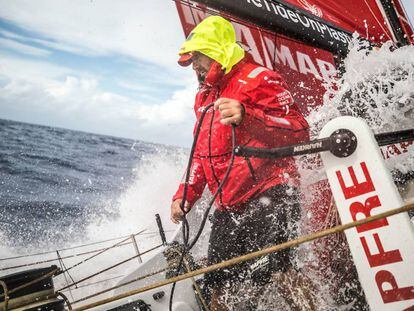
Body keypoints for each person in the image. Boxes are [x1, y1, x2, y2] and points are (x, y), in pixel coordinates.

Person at [170, 16, 310, 310]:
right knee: (216, 288)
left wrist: (249, 116)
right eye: (190, 58)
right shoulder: (204, 96)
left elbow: (299, 130)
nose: (193, 65)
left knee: (279, 270)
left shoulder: (261, 78)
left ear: (218, 51)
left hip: (271, 191)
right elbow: (202, 153)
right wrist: (185, 194)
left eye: (197, 56)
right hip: (228, 205)